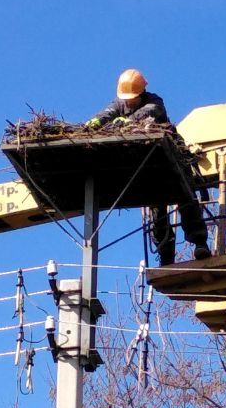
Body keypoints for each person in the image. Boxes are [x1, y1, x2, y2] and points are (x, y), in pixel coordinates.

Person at [86, 69, 211, 265]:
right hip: (153, 169)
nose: (128, 102)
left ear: (141, 93)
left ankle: (200, 244)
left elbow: (150, 112)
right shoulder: (120, 104)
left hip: (174, 161)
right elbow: (108, 113)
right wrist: (95, 122)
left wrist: (128, 121)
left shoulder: (154, 102)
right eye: (125, 99)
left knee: (187, 200)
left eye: (132, 98)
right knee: (157, 211)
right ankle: (166, 255)